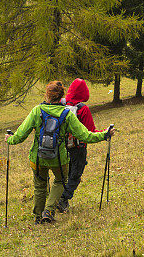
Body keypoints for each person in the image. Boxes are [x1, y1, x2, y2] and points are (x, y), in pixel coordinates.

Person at [5, 80, 114, 224]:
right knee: (60, 181)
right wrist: (105, 134)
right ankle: (49, 211)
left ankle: (38, 216)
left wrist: (10, 139)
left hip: (37, 158)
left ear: (47, 95)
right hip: (59, 158)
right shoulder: (67, 114)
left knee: (40, 185)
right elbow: (85, 135)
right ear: (62, 95)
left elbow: (20, 136)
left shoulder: (37, 111)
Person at [56, 78, 99, 213]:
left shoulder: (60, 105)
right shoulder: (82, 109)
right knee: (75, 174)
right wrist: (105, 133)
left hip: (60, 147)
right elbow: (90, 132)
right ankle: (63, 200)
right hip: (78, 148)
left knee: (62, 175)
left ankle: (55, 198)